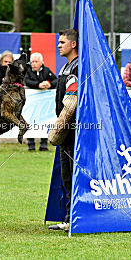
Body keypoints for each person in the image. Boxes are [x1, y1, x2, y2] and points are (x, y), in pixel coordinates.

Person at [48, 29, 79, 232]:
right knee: (66, 175)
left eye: (62, 42)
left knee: (72, 175)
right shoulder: (65, 67)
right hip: (67, 131)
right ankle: (68, 218)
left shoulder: (75, 68)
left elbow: (71, 104)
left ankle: (74, 219)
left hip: (73, 130)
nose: (58, 45)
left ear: (73, 44)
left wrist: (57, 130)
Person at [24, 52, 57, 151]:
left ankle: (44, 145)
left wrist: (49, 84)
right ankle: (31, 145)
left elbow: (56, 80)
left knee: (44, 122)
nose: (33, 64)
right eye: (32, 62)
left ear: (41, 62)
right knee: (30, 121)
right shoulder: (27, 71)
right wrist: (38, 85)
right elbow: (27, 81)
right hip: (31, 103)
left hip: (44, 103)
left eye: (36, 61)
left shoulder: (47, 71)